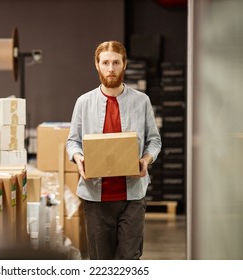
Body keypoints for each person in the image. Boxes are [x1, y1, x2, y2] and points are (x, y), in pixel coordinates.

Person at [66, 41, 162, 260]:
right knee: (101, 262)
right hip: (95, 197)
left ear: (124, 64)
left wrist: (146, 159)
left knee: (129, 260)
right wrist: (78, 157)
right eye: (106, 63)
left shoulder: (142, 101)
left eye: (116, 62)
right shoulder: (83, 102)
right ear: (97, 65)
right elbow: (72, 142)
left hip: (133, 195)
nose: (111, 68)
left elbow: (154, 141)